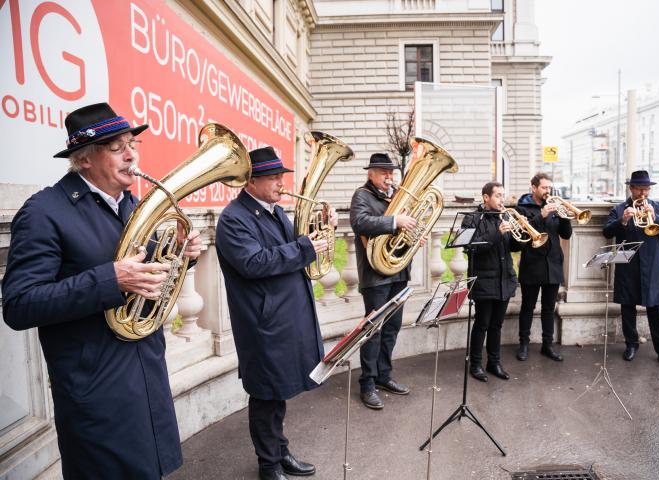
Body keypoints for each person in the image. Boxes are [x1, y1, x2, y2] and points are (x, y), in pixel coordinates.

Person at [1, 102, 202, 479]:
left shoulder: (132, 205)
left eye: (133, 144)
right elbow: (19, 304)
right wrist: (112, 280)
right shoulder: (44, 211)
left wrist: (179, 256)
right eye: (116, 147)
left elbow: (145, 278)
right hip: (95, 392)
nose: (131, 155)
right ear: (85, 159)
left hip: (146, 379)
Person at [215, 146, 333, 480]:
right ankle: (268, 464)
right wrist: (305, 248)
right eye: (273, 177)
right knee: (265, 394)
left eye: (281, 176)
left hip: (284, 316)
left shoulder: (274, 210)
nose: (281, 183)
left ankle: (280, 452)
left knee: (279, 391)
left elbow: (294, 245)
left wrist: (321, 225)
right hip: (262, 321)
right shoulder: (233, 218)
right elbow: (254, 263)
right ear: (251, 181)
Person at [350, 153, 417, 409]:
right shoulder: (362, 196)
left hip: (398, 271)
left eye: (390, 172)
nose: (389, 176)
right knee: (373, 331)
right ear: (371, 174)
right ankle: (367, 384)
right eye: (383, 172)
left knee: (392, 328)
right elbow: (360, 223)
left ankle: (383, 376)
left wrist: (413, 234)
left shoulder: (396, 196)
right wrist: (394, 221)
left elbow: (404, 230)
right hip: (375, 275)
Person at [602, 170, 659, 369]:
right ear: (631, 188)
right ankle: (631, 345)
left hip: (652, 266)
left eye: (647, 189)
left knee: (656, 310)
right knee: (628, 308)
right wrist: (623, 221)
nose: (644, 193)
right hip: (629, 266)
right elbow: (606, 231)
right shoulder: (619, 209)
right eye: (641, 189)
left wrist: (656, 217)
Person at [463, 182, 522, 381]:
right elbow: (472, 249)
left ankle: (494, 363)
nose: (502, 199)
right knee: (482, 324)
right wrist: (498, 233)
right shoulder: (472, 219)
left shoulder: (505, 216)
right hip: (484, 281)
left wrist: (519, 231)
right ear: (486, 197)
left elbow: (513, 247)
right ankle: (476, 364)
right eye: (497, 195)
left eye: (503, 195)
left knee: (497, 325)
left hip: (504, 279)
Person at [514, 172, 570, 362]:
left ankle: (548, 345)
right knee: (528, 307)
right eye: (544, 187)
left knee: (549, 308)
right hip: (532, 263)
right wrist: (542, 215)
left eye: (549, 187)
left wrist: (564, 215)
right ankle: (523, 345)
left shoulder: (555, 206)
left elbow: (566, 234)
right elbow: (522, 234)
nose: (548, 191)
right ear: (534, 188)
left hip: (553, 263)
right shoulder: (522, 208)